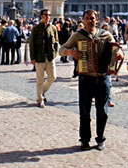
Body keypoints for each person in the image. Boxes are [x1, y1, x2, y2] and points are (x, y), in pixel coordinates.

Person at [62, 10, 117, 151]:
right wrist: (70, 52)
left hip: (103, 77)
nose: (89, 21)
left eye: (92, 18)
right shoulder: (78, 35)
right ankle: (85, 139)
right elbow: (62, 49)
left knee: (102, 111)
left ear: (96, 19)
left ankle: (100, 138)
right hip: (86, 77)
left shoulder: (106, 35)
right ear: (83, 20)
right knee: (85, 110)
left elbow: (116, 49)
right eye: (87, 18)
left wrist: (120, 54)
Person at [29, 9, 59, 107]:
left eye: (49, 15)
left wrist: (55, 53)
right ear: (41, 16)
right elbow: (32, 44)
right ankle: (40, 99)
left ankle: (42, 91)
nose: (48, 17)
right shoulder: (36, 29)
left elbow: (56, 42)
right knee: (40, 80)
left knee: (52, 77)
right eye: (46, 15)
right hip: (39, 57)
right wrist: (32, 58)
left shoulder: (53, 28)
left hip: (50, 57)